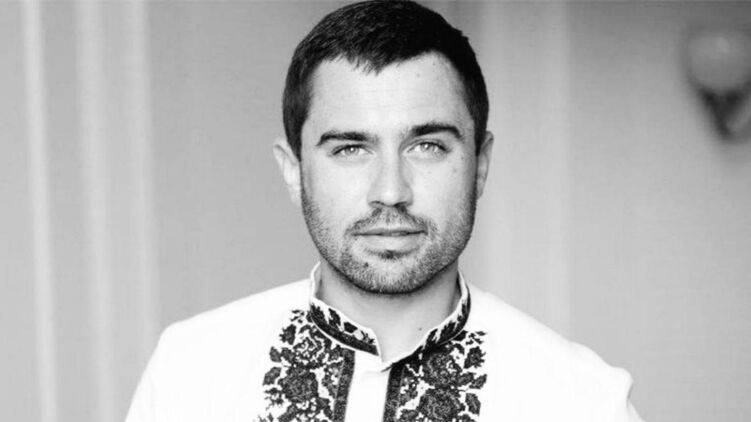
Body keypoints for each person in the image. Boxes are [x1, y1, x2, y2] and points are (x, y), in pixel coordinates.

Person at [126, 1, 644, 421]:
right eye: (351, 149)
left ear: (480, 164)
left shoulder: (583, 402)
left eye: (428, 146)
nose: (391, 191)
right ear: (293, 171)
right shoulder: (190, 372)